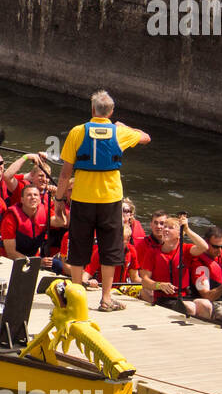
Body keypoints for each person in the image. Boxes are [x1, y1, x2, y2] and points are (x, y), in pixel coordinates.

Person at [56, 90, 151, 312]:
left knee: (79, 246)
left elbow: (64, 173)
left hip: (82, 197)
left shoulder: (78, 132)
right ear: (111, 112)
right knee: (110, 248)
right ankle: (106, 299)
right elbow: (146, 137)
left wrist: (59, 200)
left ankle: (76, 295)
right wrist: (126, 128)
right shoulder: (119, 133)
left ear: (92, 110)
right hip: (110, 199)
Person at [140, 214, 212, 317]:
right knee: (190, 307)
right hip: (163, 298)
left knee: (206, 305)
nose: (165, 229)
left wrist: (187, 230)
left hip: (183, 296)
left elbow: (204, 247)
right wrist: (159, 285)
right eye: (165, 227)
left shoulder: (185, 249)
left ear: (179, 234)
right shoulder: (152, 252)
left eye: (170, 228)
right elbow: (145, 281)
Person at [190, 224, 222, 310]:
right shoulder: (199, 264)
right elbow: (207, 296)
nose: (220, 250)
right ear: (206, 243)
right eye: (215, 247)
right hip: (208, 304)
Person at [0, 184, 49, 260]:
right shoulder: (11, 217)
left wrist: (58, 198)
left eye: (35, 195)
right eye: (29, 195)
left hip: (35, 258)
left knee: (57, 265)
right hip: (11, 260)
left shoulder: (45, 211)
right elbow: (10, 253)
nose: (33, 197)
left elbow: (61, 222)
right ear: (22, 200)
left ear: (39, 199)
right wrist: (36, 263)